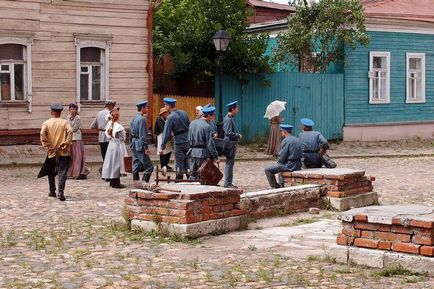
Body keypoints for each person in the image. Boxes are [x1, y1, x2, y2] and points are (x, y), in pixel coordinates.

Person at [39, 104, 73, 201]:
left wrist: (48, 145)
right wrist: (66, 144)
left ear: (51, 112)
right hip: (63, 152)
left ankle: (52, 191)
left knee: (51, 172)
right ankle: (61, 192)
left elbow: (42, 134)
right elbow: (70, 132)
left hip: (52, 151)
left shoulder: (46, 123)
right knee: (62, 172)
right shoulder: (65, 122)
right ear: (60, 113)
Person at [159, 97, 190, 180]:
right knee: (187, 162)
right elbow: (189, 126)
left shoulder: (170, 117)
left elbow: (166, 133)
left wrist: (162, 147)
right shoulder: (184, 113)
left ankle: (179, 181)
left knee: (179, 164)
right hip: (188, 140)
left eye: (165, 105)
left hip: (179, 141)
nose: (165, 107)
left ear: (168, 106)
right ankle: (191, 179)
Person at [187, 106, 219, 180]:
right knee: (203, 175)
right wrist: (215, 157)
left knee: (193, 174)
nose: (213, 119)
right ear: (208, 115)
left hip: (192, 152)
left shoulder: (192, 123)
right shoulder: (207, 126)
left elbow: (188, 138)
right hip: (202, 153)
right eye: (213, 116)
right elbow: (210, 143)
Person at [130, 100, 154, 189]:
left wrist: (131, 144)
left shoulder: (134, 118)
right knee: (149, 167)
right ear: (142, 108)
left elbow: (130, 132)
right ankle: (144, 184)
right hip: (140, 144)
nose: (148, 109)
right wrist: (145, 147)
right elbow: (142, 135)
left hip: (134, 143)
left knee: (135, 165)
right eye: (147, 107)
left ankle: (136, 183)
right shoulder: (142, 119)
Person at [102, 108, 128, 189]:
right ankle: (116, 182)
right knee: (117, 163)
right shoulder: (118, 126)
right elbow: (122, 137)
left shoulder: (109, 124)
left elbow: (108, 135)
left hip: (111, 144)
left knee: (112, 163)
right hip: (117, 145)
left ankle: (113, 181)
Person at [90, 100, 116, 173]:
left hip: (101, 136)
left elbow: (92, 126)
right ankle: (106, 171)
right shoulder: (111, 114)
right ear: (110, 106)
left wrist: (100, 129)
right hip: (109, 136)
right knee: (110, 155)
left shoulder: (99, 113)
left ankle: (104, 170)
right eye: (113, 106)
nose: (113, 108)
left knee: (104, 154)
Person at [66, 103, 89, 180]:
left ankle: (78, 172)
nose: (72, 111)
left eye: (74, 109)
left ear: (76, 110)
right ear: (69, 110)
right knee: (71, 156)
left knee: (77, 156)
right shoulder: (67, 117)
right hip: (69, 139)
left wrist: (68, 130)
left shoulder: (78, 118)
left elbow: (75, 128)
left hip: (77, 138)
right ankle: (70, 172)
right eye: (71, 109)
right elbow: (66, 126)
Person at [222, 101, 242, 188]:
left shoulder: (231, 118)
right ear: (233, 109)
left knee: (230, 163)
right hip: (229, 143)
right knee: (229, 164)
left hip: (231, 143)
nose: (237, 110)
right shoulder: (228, 119)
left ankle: (228, 182)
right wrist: (238, 135)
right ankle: (227, 183)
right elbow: (228, 132)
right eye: (236, 108)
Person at [154, 107, 173, 172]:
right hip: (161, 136)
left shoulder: (164, 119)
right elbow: (162, 129)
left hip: (165, 136)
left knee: (168, 150)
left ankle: (166, 164)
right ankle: (163, 165)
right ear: (163, 113)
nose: (167, 114)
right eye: (166, 113)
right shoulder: (159, 119)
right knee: (162, 151)